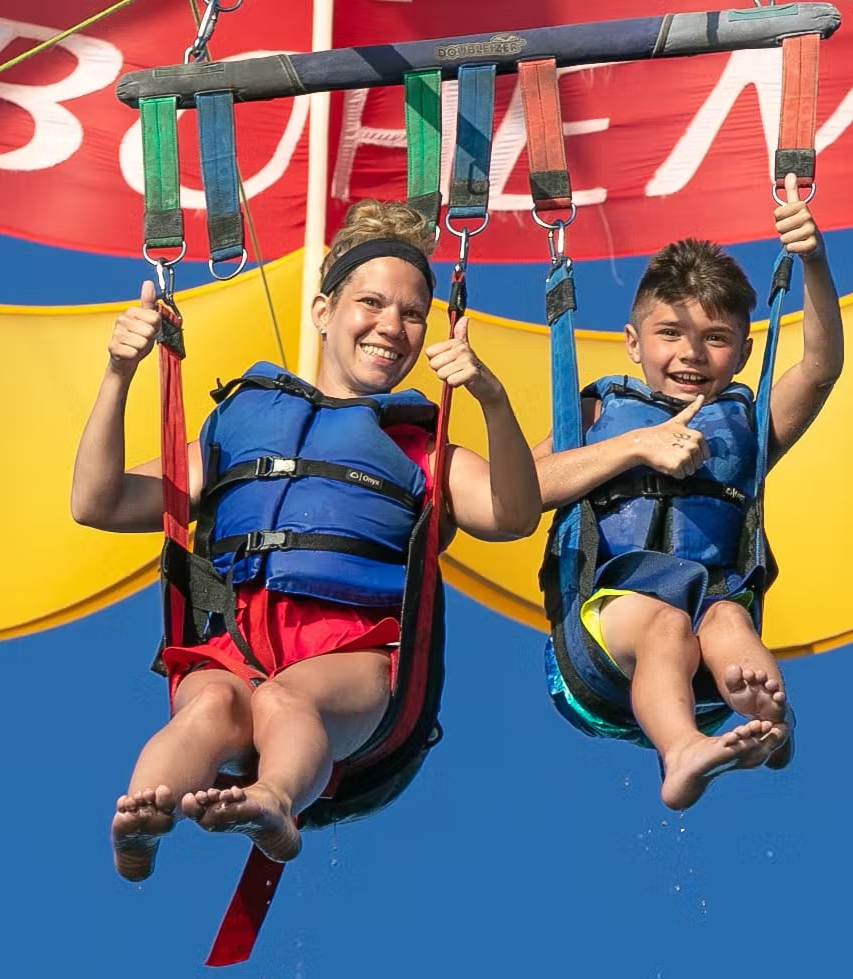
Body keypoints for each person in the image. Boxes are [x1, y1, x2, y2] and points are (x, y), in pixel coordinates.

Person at [71, 199, 541, 880]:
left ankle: (272, 800)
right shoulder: (240, 424)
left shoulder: (422, 449)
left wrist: (493, 398)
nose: (393, 326)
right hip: (231, 639)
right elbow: (97, 501)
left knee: (284, 700)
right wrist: (120, 371)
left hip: (351, 651)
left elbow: (514, 512)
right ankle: (145, 813)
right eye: (373, 303)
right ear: (323, 311)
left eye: (413, 314)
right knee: (208, 705)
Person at [532, 174, 844, 811]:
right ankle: (680, 753)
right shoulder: (595, 415)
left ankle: (769, 721)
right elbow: (523, 491)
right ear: (633, 343)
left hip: (708, 626)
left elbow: (819, 366)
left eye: (717, 338)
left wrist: (812, 261)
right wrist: (633, 447)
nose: (692, 353)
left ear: (743, 351)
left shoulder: (748, 426)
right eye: (671, 333)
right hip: (603, 634)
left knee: (728, 618)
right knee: (665, 622)